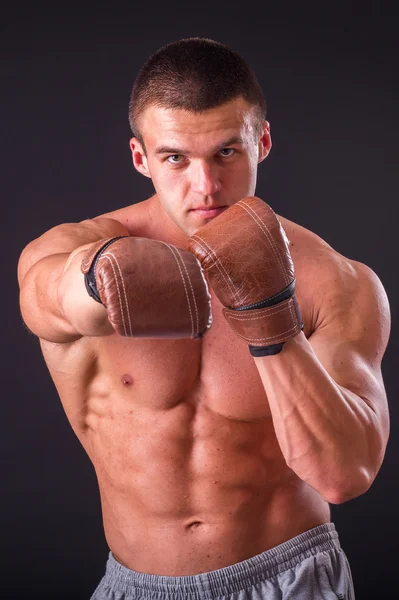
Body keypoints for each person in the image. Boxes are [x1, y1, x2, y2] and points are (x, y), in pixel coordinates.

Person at [18, 37, 390, 600]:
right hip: (138, 584)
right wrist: (102, 279)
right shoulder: (77, 248)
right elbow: (48, 295)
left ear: (261, 142)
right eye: (175, 158)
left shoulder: (336, 281)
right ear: (141, 157)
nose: (206, 187)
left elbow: (346, 474)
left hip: (292, 579)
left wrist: (270, 318)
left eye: (226, 152)